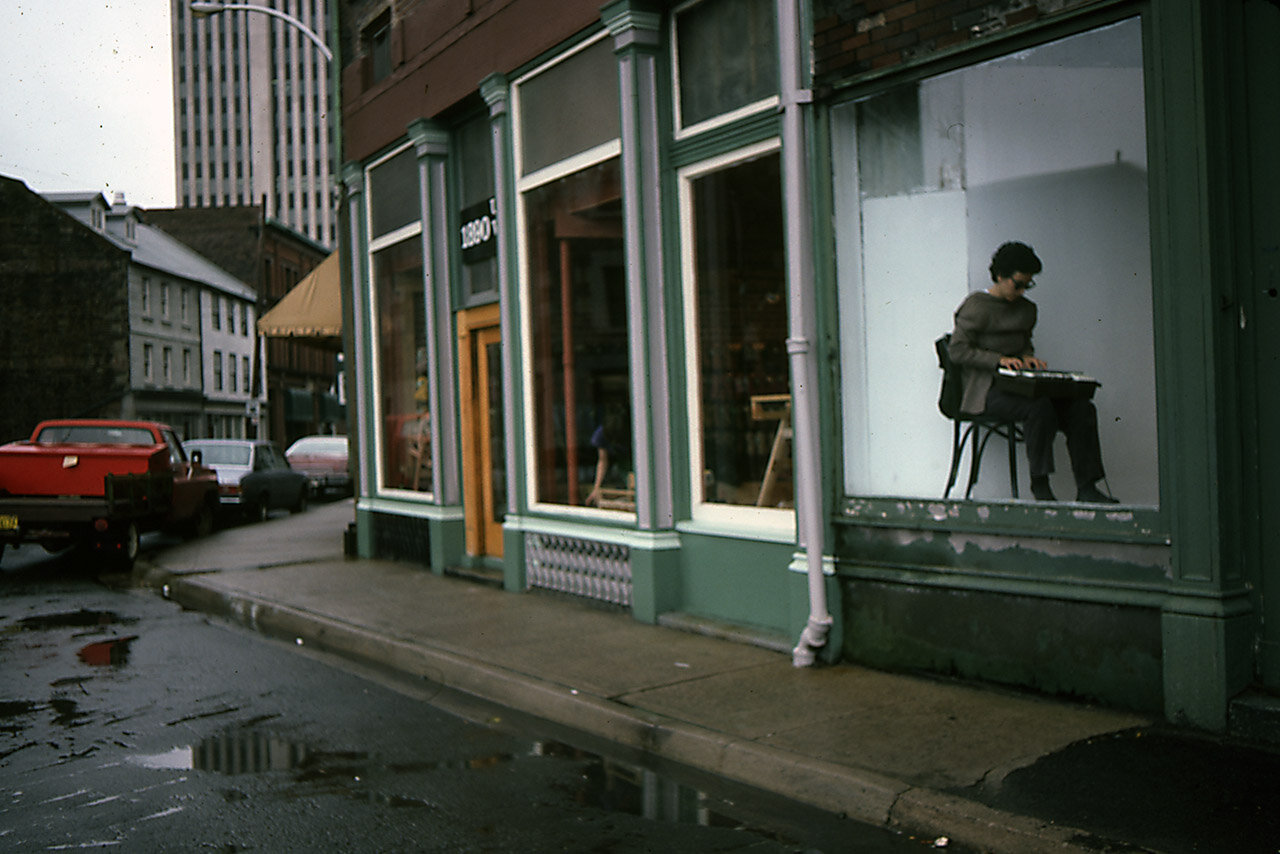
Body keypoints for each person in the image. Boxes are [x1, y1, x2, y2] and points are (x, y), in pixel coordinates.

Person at [948, 241, 1118, 504]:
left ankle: (1087, 487)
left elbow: (1024, 344)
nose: (1022, 291)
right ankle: (1040, 485)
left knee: (1082, 408)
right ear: (1000, 276)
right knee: (1039, 408)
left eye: (1028, 285)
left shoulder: (1027, 310)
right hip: (986, 390)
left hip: (1019, 386)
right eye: (1018, 284)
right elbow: (957, 351)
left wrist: (1028, 359)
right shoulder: (977, 306)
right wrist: (998, 360)